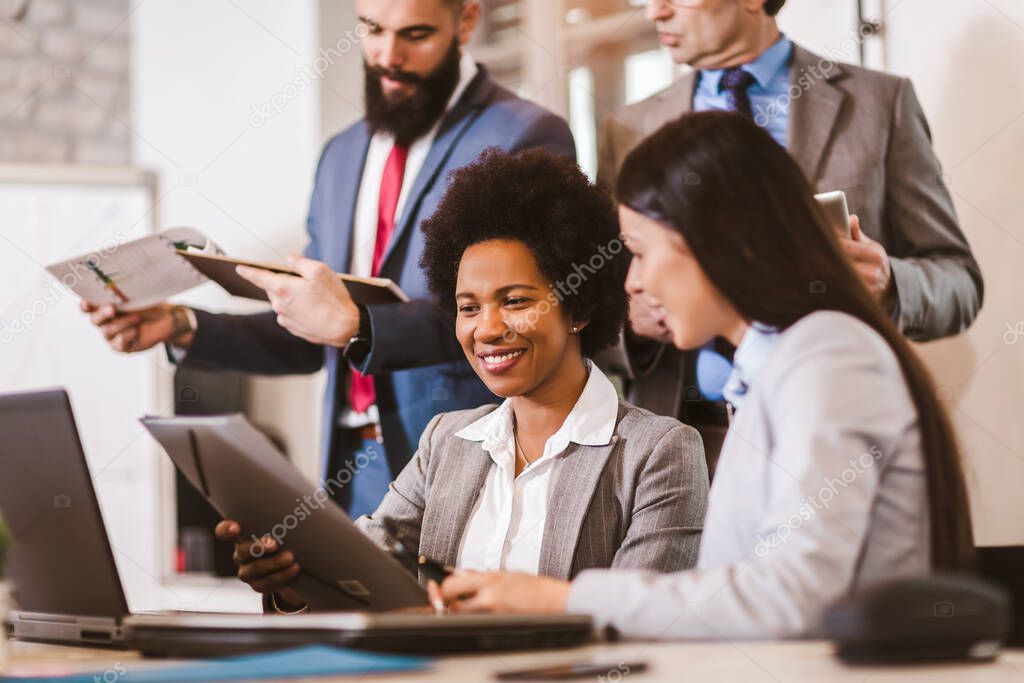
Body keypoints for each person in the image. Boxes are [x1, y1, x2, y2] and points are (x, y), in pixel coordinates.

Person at [433, 113, 975, 640]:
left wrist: (560, 600)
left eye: (641, 255)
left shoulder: (827, 355)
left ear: (719, 240)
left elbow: (796, 598)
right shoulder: (772, 376)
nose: (635, 284)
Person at [81, 0, 575, 517]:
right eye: (372, 29)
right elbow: (311, 335)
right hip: (350, 469)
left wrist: (359, 324)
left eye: (416, 34)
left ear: (467, 21)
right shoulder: (341, 155)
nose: (388, 55)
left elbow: (527, 316)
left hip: (474, 467)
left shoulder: (524, 136)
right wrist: (179, 326)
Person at [215, 148, 709, 613]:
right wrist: (292, 574)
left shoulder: (658, 451)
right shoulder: (445, 441)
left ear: (578, 307)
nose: (487, 329)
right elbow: (361, 576)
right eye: (468, 308)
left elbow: (643, 624)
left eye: (514, 301)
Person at [597, 0, 983, 471]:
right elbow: (597, 288)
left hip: (830, 430)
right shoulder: (628, 128)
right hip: (680, 440)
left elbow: (958, 281)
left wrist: (890, 283)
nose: (655, 12)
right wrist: (630, 323)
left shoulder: (879, 104)